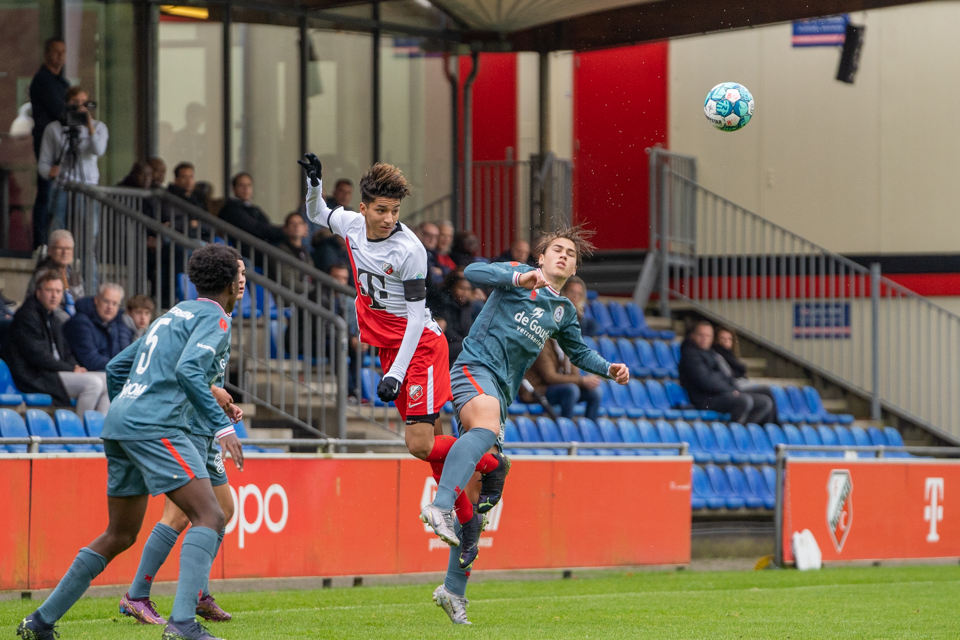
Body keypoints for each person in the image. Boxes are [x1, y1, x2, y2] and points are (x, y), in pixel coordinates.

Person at [15, 244, 243, 640]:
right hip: (155, 426)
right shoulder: (216, 319)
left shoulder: (171, 315)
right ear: (229, 284)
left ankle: (39, 622)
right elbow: (190, 370)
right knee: (211, 516)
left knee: (119, 534)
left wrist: (131, 408)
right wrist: (221, 428)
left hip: (119, 422)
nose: (243, 283)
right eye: (239, 277)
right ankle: (183, 624)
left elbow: (119, 366)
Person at [420, 225, 630, 624]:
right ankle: (439, 506)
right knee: (482, 432)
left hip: (501, 394)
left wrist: (609, 368)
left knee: (480, 500)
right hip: (472, 369)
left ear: (573, 268)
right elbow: (475, 273)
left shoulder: (563, 311)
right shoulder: (519, 276)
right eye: (557, 249)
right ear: (542, 258)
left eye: (570, 253)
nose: (564, 255)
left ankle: (452, 589)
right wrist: (516, 276)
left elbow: (579, 351)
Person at [300, 152, 498, 545]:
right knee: (432, 446)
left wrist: (393, 373)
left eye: (394, 211)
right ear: (363, 208)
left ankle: (492, 464)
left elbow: (413, 317)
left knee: (419, 444)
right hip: (390, 349)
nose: (389, 218)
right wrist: (315, 185)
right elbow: (317, 213)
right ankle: (467, 518)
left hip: (419, 347)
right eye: (381, 210)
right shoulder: (352, 225)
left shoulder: (409, 251)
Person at [118, 257, 247, 627]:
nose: (241, 281)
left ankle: (198, 593)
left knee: (223, 510)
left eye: (243, 274)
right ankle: (137, 595)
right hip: (184, 427)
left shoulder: (218, 315)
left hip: (202, 427)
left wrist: (219, 398)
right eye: (237, 274)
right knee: (179, 516)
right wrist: (213, 393)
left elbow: (196, 372)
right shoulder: (201, 315)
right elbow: (176, 368)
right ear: (223, 279)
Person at [1, 269, 110, 414]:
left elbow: (66, 351)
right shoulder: (27, 315)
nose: (54, 296)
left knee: (110, 381)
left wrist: (75, 366)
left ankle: (99, 433)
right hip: (36, 375)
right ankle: (80, 433)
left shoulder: (53, 317)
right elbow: (39, 357)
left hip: (54, 371)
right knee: (92, 384)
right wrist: (71, 369)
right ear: (38, 292)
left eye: (58, 291)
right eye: (49, 290)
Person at [37, 85, 109, 233]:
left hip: (88, 185)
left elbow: (99, 150)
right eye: (76, 102)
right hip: (61, 186)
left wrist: (90, 127)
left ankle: (86, 257)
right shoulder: (54, 128)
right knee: (57, 228)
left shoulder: (99, 127)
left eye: (84, 102)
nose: (80, 106)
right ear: (67, 104)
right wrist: (49, 172)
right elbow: (44, 162)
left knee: (89, 231)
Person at [678, 321, 775, 424]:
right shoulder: (690, 355)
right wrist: (731, 390)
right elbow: (706, 381)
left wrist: (733, 388)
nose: (704, 338)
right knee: (743, 401)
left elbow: (725, 376)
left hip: (720, 394)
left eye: (708, 336)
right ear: (693, 336)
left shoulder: (712, 354)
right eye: (700, 335)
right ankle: (735, 432)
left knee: (765, 402)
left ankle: (747, 432)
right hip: (705, 399)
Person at [29, 37, 69, 250]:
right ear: (46, 54)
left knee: (59, 193)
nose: (60, 56)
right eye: (55, 51)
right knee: (46, 190)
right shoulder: (43, 81)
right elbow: (59, 111)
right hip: (47, 143)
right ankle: (40, 242)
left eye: (63, 52)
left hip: (62, 143)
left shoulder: (62, 83)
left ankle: (57, 241)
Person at [520, 336, 603, 421]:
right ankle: (565, 429)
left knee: (595, 393)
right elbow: (550, 377)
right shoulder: (541, 344)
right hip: (537, 391)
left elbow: (574, 375)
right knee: (571, 390)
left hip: (557, 389)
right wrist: (582, 380)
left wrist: (586, 381)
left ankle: (588, 431)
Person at [217, 172, 286, 266]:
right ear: (234, 189)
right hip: (246, 253)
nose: (246, 189)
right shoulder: (231, 208)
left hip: (259, 252)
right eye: (242, 185)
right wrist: (285, 231)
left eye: (249, 185)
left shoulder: (254, 209)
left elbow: (267, 226)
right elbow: (256, 228)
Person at [62, 283, 133, 371]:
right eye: (106, 301)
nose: (110, 307)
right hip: (81, 374)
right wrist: (122, 366)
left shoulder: (115, 323)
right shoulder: (80, 323)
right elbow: (91, 361)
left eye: (114, 304)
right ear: (96, 300)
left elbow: (121, 354)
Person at [713, 325, 778, 409]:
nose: (726, 341)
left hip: (740, 384)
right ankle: (776, 422)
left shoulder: (732, 357)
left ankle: (771, 421)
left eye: (729, 339)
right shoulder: (717, 356)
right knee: (766, 392)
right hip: (734, 386)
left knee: (767, 396)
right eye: (722, 338)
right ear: (716, 339)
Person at [26, 229, 85, 322]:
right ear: (50, 250)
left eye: (68, 248)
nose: (65, 252)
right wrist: (73, 323)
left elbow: (82, 304)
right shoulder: (44, 274)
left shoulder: (76, 276)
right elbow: (51, 308)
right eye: (60, 248)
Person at [435, 271, 474, 365]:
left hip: (461, 343)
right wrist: (465, 343)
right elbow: (448, 332)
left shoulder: (468, 307)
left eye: (468, 289)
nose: (465, 293)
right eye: (461, 288)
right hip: (446, 345)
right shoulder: (444, 303)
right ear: (453, 288)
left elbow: (468, 330)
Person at [271, 212, 313, 296]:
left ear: (305, 228)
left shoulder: (305, 252)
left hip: (305, 295)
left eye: (300, 223)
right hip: (288, 297)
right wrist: (312, 289)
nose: (296, 226)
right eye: (292, 224)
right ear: (285, 229)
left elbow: (312, 275)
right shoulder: (280, 252)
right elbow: (286, 281)